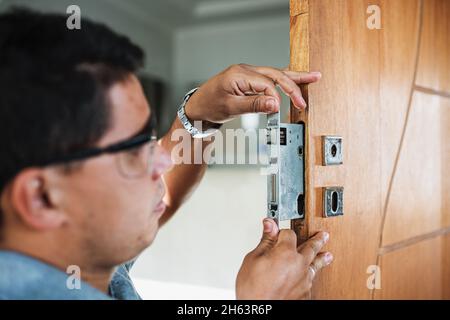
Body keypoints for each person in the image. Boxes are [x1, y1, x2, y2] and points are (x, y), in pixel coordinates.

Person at [0, 8, 333, 300]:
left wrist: (198, 117)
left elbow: (162, 198)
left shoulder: (83, 260)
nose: (162, 159)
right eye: (132, 152)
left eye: (150, 138)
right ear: (42, 198)